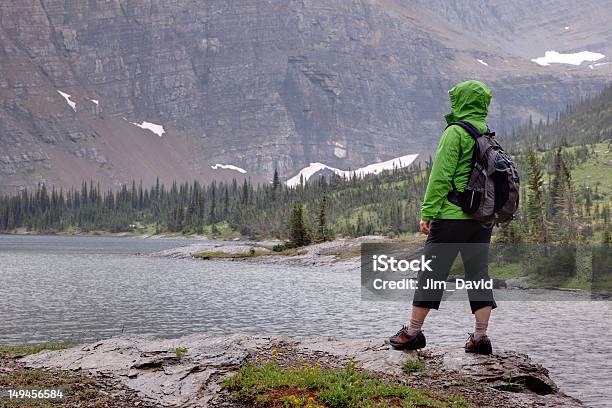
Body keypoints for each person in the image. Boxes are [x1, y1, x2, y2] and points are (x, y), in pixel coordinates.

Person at [388, 80, 497, 355]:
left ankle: (412, 333)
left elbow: (440, 177)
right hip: (481, 219)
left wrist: (428, 212)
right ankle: (480, 338)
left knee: (431, 275)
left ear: (460, 101)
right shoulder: (487, 134)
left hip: (451, 218)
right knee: (478, 275)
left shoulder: (456, 132)